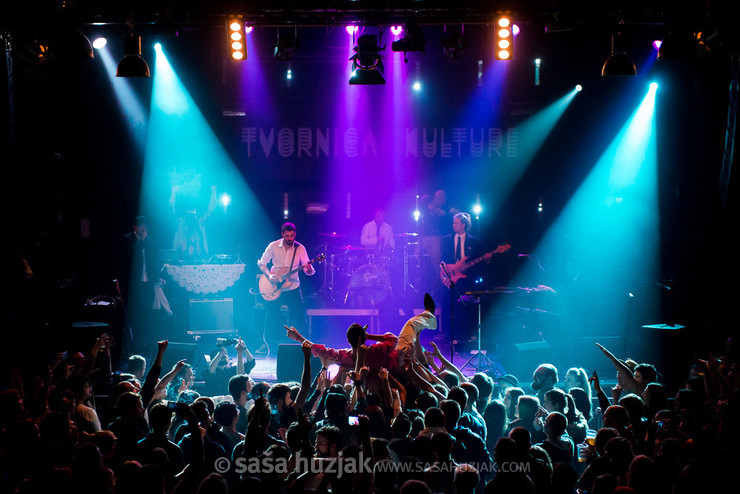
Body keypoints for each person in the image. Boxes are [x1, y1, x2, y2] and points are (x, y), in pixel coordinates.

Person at [257, 222, 316, 343]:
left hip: (292, 288)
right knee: (271, 316)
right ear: (282, 234)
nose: (289, 239)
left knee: (300, 316)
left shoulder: (300, 248)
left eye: (292, 236)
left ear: (295, 235)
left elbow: (309, 272)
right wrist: (269, 275)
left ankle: (303, 344)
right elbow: (261, 263)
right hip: (275, 287)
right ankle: (268, 344)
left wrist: (308, 268)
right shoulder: (273, 246)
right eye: (287, 236)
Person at [120, 216, 165, 351]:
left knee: (147, 310)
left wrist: (158, 276)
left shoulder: (149, 241)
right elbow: (127, 259)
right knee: (135, 311)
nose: (144, 228)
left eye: (145, 226)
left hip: (148, 281)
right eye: (141, 226)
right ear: (135, 227)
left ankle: (148, 341)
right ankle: (135, 341)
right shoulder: (128, 239)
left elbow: (154, 260)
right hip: (134, 283)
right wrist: (140, 241)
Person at [170, 184, 217, 262]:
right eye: (190, 215)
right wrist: (173, 193)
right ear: (186, 214)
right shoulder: (181, 223)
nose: (192, 217)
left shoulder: (200, 222)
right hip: (183, 258)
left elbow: (210, 210)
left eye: (193, 215)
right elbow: (171, 209)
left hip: (199, 258)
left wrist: (214, 192)